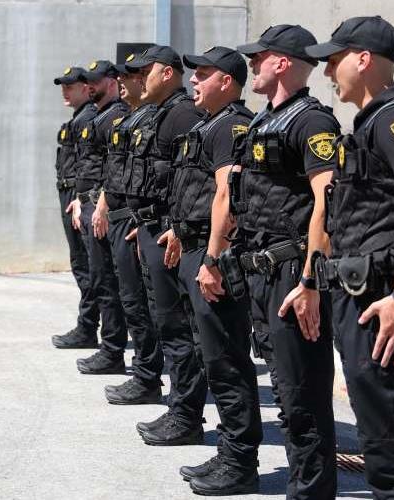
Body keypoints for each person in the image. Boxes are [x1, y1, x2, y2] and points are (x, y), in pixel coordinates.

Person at [307, 16, 394, 498]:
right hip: (364, 297)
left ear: (363, 59)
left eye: (334, 61)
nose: (327, 72)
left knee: (391, 449)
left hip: (385, 304)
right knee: (385, 435)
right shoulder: (369, 124)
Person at [232, 24, 340, 498]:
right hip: (263, 272)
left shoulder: (312, 122)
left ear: (282, 62)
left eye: (258, 58)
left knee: (303, 394)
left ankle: (312, 490)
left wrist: (312, 281)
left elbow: (327, 204)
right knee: (283, 387)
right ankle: (304, 484)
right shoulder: (265, 120)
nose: (252, 66)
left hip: (294, 274)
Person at [171, 47, 262, 495]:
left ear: (226, 81)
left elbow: (227, 195)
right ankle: (230, 451)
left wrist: (212, 259)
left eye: (203, 74)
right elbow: (196, 192)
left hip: (215, 258)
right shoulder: (210, 123)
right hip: (195, 248)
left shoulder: (231, 126)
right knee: (211, 356)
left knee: (227, 360)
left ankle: (241, 461)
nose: (194, 80)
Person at [117, 46, 208, 447]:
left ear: (167, 73)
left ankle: (186, 416)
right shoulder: (161, 113)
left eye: (145, 72)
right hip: (153, 229)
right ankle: (179, 409)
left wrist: (173, 227)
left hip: (170, 235)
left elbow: (192, 182)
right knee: (166, 323)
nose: (139, 79)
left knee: (178, 327)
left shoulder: (183, 114)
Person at [97, 49, 166, 404]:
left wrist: (149, 221)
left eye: (130, 75)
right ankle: (143, 374)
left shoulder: (156, 119)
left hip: (137, 222)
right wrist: (102, 205)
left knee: (143, 305)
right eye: (121, 76)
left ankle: (148, 377)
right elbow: (115, 173)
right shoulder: (129, 120)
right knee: (131, 301)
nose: (122, 81)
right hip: (123, 219)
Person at [65, 60, 131, 373]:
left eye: (95, 81)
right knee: (101, 280)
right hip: (91, 205)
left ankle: (113, 351)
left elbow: (112, 169)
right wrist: (81, 200)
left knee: (109, 284)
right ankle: (110, 348)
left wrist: (100, 205)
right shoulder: (99, 116)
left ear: (112, 82)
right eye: (87, 81)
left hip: (103, 209)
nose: (89, 86)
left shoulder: (116, 116)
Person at [49, 66, 102, 349]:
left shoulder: (88, 119)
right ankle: (88, 325)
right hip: (69, 192)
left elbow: (90, 163)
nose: (64, 92)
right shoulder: (78, 119)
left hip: (76, 195)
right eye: (63, 87)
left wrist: (81, 198)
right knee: (80, 263)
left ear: (86, 88)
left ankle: (88, 327)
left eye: (70, 86)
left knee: (87, 265)